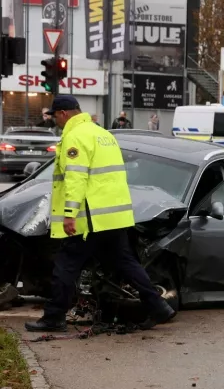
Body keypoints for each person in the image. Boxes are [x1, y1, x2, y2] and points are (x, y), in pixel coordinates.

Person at [24, 95, 175, 333]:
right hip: (114, 216)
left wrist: (69, 214)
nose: (56, 121)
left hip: (90, 218)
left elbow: (76, 178)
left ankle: (54, 317)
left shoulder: (75, 137)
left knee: (65, 265)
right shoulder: (103, 134)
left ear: (63, 114)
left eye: (55, 117)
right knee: (126, 262)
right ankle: (158, 306)